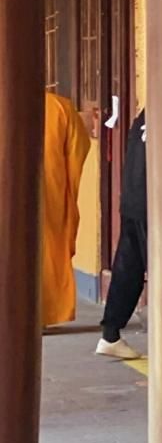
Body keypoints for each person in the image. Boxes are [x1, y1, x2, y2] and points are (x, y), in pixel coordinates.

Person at [96, 109, 146, 360]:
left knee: (128, 268)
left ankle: (110, 334)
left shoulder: (144, 117)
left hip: (132, 202)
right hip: (155, 204)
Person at [42, 90, 91, 330]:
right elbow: (77, 151)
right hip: (47, 195)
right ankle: (41, 314)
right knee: (45, 253)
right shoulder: (59, 108)